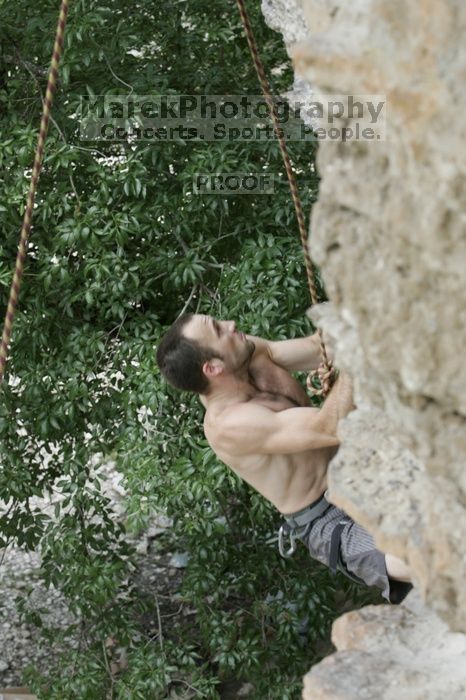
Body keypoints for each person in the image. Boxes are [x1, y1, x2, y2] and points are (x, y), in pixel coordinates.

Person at [156, 312, 413, 604]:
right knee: (424, 559)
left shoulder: (243, 351)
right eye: (218, 329)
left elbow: (321, 349)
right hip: (330, 515)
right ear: (213, 367)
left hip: (358, 466)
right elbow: (330, 427)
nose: (231, 325)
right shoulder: (230, 424)